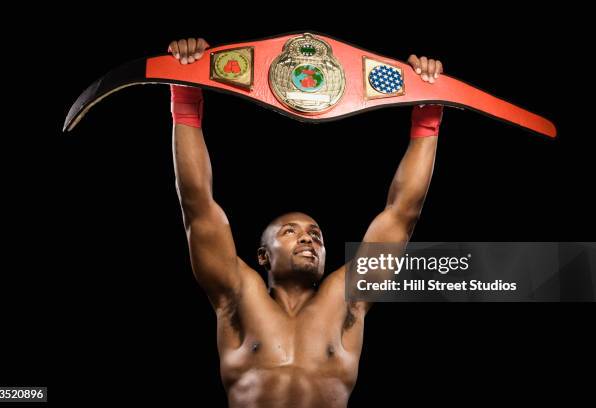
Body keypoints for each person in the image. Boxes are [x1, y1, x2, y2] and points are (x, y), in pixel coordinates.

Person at [168, 36, 444, 408]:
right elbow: (197, 205)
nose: (308, 239)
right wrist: (185, 95)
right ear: (262, 256)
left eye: (316, 235)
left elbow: (402, 213)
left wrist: (426, 116)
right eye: (290, 231)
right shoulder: (237, 294)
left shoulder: (345, 298)